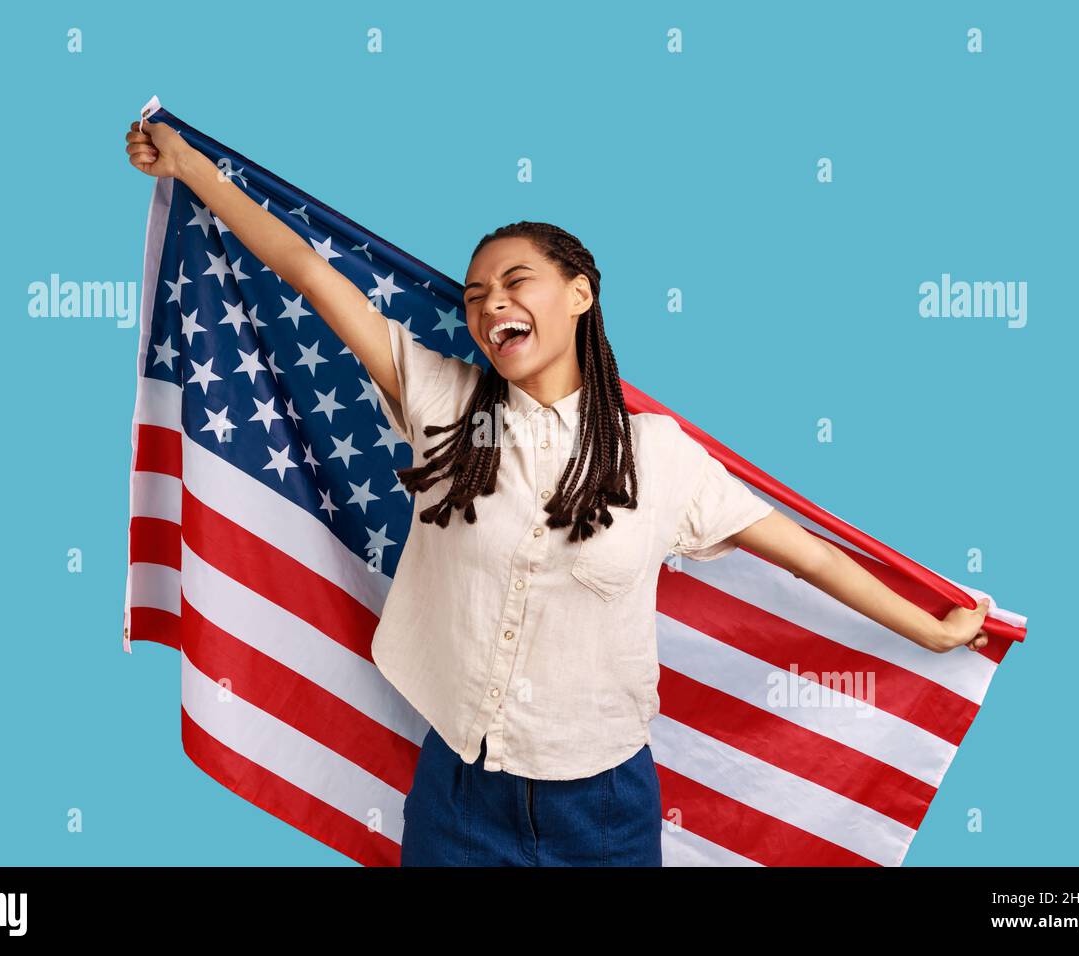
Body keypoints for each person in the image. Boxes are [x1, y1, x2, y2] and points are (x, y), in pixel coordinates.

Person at [125, 118, 991, 867]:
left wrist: (929, 627)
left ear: (580, 294)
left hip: (603, 810)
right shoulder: (442, 402)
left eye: (514, 282)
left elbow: (808, 558)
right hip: (458, 794)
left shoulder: (661, 459)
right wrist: (193, 173)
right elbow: (311, 274)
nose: (489, 304)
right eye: (474, 296)